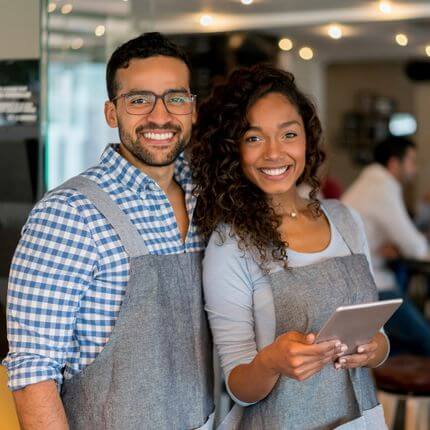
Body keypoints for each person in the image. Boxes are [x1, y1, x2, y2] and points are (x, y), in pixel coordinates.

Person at [3, 32, 214, 429]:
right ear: (111, 113)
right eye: (139, 100)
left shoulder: (210, 200)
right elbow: (33, 371)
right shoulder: (69, 213)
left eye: (176, 97)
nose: (160, 115)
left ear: (193, 109)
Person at [190, 64, 389, 429]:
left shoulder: (346, 220)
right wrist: (271, 362)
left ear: (307, 139)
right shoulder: (229, 244)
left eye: (288, 134)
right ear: (232, 150)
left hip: (360, 419)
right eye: (253, 138)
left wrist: (377, 349)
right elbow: (238, 386)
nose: (273, 153)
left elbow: (375, 329)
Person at [342, 136, 430, 356]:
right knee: (425, 339)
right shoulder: (382, 187)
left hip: (358, 279)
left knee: (400, 342)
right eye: (411, 161)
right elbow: (414, 247)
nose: (415, 169)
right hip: (371, 283)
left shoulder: (371, 182)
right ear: (394, 163)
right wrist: (408, 245)